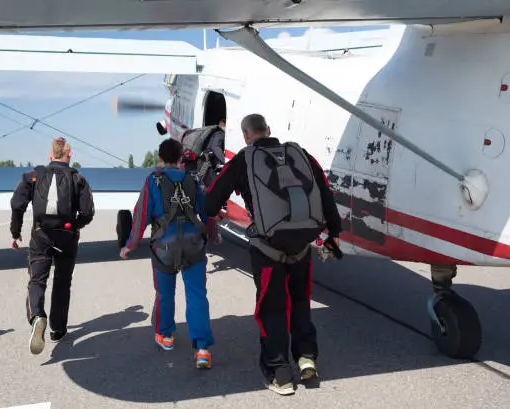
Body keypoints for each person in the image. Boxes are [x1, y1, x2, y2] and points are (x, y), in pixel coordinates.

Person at [204, 114, 343, 395]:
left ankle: (280, 374)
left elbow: (210, 201)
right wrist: (334, 233)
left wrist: (214, 213)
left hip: (267, 249)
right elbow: (325, 192)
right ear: (269, 130)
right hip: (303, 246)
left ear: (245, 135)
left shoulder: (244, 158)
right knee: (301, 302)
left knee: (272, 309)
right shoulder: (299, 153)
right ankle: (307, 361)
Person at [120, 138, 215, 369]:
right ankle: (202, 349)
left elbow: (141, 215)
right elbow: (207, 212)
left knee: (164, 293)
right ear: (182, 157)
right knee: (197, 295)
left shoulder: (153, 180)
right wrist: (213, 235)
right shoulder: (194, 179)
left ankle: (166, 336)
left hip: (164, 247)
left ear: (160, 158)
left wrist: (130, 245)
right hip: (194, 245)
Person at [10, 137, 95, 355]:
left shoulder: (34, 175)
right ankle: (57, 329)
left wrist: (15, 232)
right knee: (62, 282)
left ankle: (37, 316)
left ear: (50, 155)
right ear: (70, 155)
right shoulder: (78, 179)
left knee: (37, 280)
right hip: (67, 237)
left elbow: (17, 204)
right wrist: (75, 226)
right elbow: (87, 212)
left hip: (41, 235)